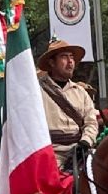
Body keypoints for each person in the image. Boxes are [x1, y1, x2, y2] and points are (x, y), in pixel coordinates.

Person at [35, 39, 98, 169]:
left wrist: (85, 143)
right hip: (50, 154)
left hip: (80, 151)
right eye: (64, 57)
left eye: (72, 57)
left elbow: (91, 123)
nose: (70, 62)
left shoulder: (81, 93)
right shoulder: (36, 92)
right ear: (52, 62)